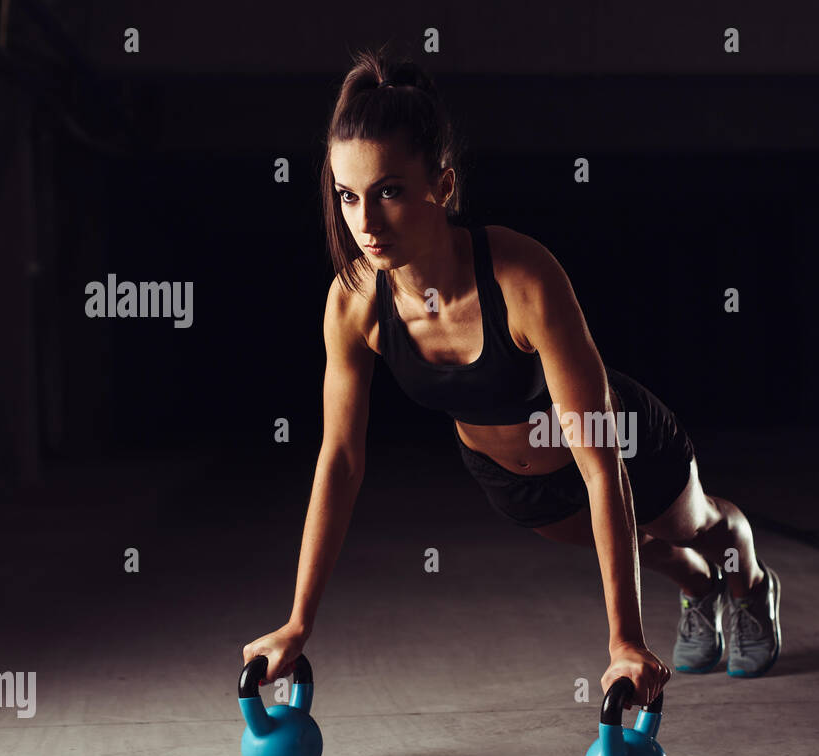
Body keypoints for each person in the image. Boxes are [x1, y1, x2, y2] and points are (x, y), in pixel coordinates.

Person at [242, 48, 781, 710]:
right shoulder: (352, 303)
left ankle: (749, 583)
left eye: (389, 191)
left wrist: (623, 642)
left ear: (440, 186)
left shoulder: (522, 277)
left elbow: (599, 458)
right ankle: (700, 591)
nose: (365, 224)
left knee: (695, 528)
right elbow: (341, 461)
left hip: (619, 442)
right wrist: (299, 621)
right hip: (513, 483)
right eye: (348, 196)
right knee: (646, 546)